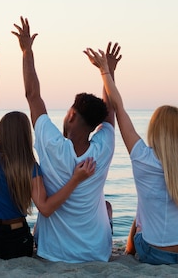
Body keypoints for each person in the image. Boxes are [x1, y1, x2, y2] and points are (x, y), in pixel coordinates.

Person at [0, 43, 96, 260]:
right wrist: (75, 180)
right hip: (16, 242)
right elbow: (45, 209)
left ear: (1, 133)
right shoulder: (32, 168)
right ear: (26, 136)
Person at [83, 39, 178, 265]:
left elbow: (118, 107)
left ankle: (129, 251)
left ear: (156, 131)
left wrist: (105, 72)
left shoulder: (143, 157)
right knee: (144, 206)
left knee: (142, 213)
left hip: (156, 254)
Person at [11, 17, 118, 263]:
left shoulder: (51, 145)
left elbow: (32, 95)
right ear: (94, 126)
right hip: (97, 253)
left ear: (71, 116)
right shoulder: (104, 147)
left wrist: (27, 51)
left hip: (54, 254)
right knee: (106, 205)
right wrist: (107, 72)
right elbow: (109, 112)